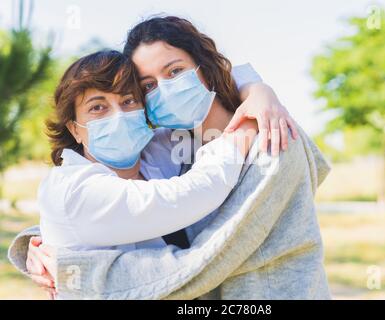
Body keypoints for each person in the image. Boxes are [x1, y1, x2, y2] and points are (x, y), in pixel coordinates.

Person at [9, 16, 330, 300]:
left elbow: (205, 263)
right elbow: (129, 205)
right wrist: (40, 241)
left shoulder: (270, 140)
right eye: (149, 85)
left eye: (175, 71)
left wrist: (257, 91)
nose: (165, 90)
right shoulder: (182, 148)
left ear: (205, 67)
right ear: (74, 129)